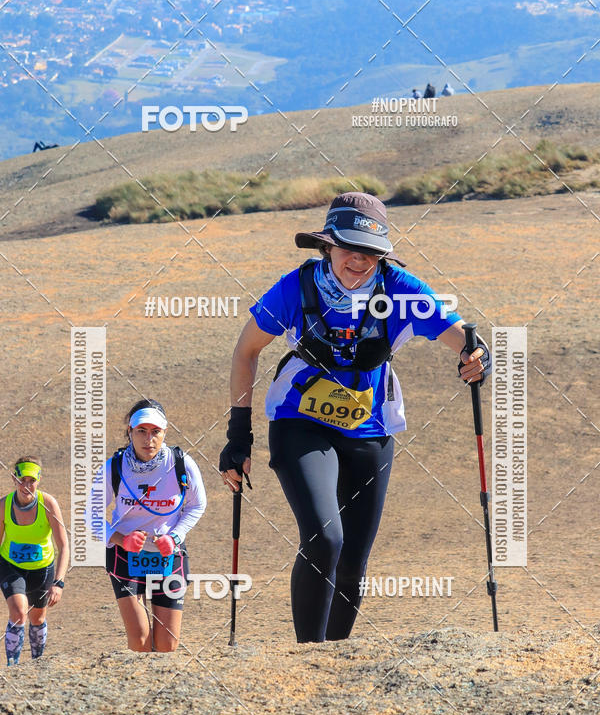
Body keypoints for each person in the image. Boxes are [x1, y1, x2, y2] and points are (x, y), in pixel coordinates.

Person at [219, 192, 490, 644]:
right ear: (327, 245)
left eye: (370, 252)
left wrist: (477, 356)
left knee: (352, 561)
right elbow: (245, 351)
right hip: (300, 422)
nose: (359, 260)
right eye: (348, 248)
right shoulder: (295, 288)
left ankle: (335, 659)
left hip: (371, 429)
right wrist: (238, 434)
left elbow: (462, 337)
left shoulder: (401, 289)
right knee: (325, 538)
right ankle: (309, 656)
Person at [92, 399, 206, 653]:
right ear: (130, 432)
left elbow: (197, 505)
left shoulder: (181, 463)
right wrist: (121, 539)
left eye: (155, 431)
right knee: (140, 641)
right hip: (125, 557)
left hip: (169, 556)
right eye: (141, 431)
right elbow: (91, 513)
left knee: (167, 644)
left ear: (165, 432)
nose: (148, 439)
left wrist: (175, 537)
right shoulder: (114, 467)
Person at [0, 457, 69, 665]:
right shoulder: (3, 505)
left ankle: (36, 664)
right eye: (22, 480)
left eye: (32, 480)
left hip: (42, 569)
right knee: (19, 612)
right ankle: (12, 666)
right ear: (14, 479)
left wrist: (58, 582)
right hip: (11, 566)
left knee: (37, 618)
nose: (26, 486)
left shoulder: (48, 504)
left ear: (39, 480)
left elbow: (64, 546)